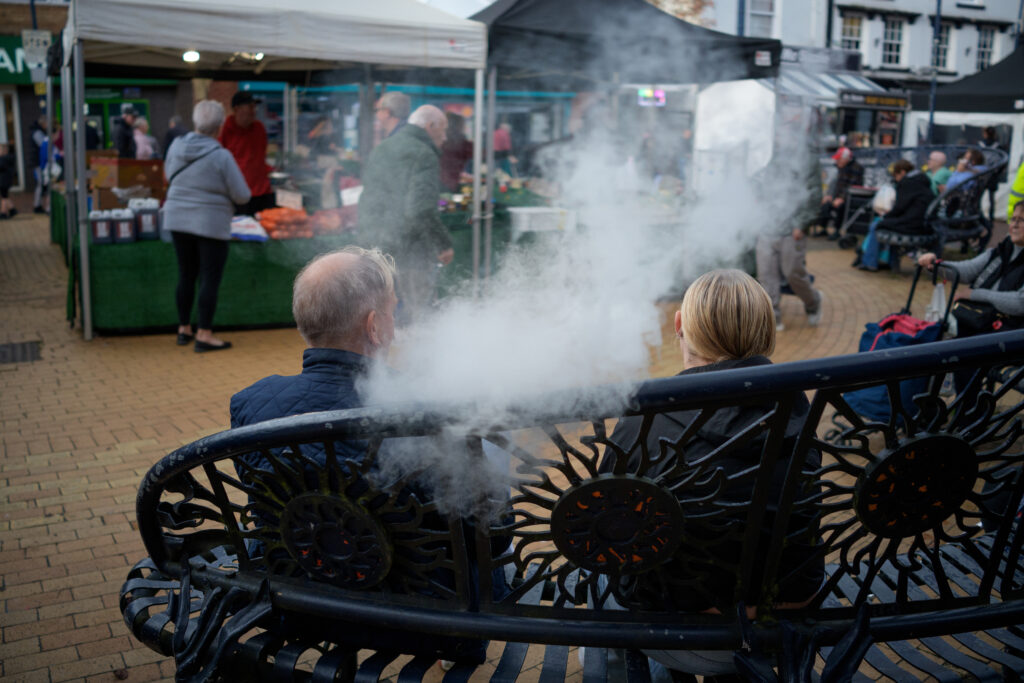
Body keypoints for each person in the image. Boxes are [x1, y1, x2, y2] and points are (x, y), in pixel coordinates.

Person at [601, 269, 823, 680]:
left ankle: (612, 666)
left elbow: (603, 526)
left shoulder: (644, 421)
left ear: (679, 325)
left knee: (598, 568)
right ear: (765, 331)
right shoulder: (797, 409)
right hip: (791, 625)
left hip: (686, 637)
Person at [163, 100, 251, 353]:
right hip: (210, 223)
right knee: (209, 279)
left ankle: (183, 329)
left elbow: (169, 175)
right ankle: (204, 334)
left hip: (177, 218)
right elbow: (242, 194)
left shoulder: (177, 145)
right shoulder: (221, 155)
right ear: (220, 126)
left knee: (186, 274)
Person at [358, 104, 454, 324]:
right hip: (410, 245)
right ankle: (421, 357)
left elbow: (368, 197)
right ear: (430, 126)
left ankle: (375, 359)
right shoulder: (424, 154)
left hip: (375, 241)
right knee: (421, 311)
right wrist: (443, 243)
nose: (445, 136)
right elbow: (420, 209)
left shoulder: (382, 147)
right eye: (443, 129)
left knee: (376, 313)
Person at [755, 148, 825, 331]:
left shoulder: (807, 158)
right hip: (766, 227)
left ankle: (813, 301)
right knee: (766, 275)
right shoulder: (766, 155)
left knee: (793, 273)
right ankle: (772, 317)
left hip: (791, 230)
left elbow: (814, 194)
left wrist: (801, 223)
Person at [858, 159, 934, 272]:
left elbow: (899, 207)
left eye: (896, 175)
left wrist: (885, 217)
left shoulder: (907, 183)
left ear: (902, 172)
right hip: (922, 223)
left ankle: (870, 263)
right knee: (885, 224)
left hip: (911, 224)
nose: (895, 179)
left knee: (877, 224)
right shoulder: (922, 180)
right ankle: (889, 262)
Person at [219, 91, 274, 216]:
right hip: (238, 196)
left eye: (254, 107)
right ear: (236, 109)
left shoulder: (259, 128)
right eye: (250, 107)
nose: (254, 111)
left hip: (263, 193)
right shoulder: (225, 131)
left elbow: (261, 158)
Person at [816, 148, 864, 239]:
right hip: (838, 195)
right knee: (825, 205)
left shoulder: (857, 168)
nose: (836, 161)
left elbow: (852, 185)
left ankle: (837, 231)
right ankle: (823, 228)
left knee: (840, 207)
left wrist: (842, 198)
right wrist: (829, 195)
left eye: (839, 159)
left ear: (845, 159)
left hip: (850, 198)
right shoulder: (841, 167)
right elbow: (835, 183)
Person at [439, 111, 473, 191]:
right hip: (449, 184)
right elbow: (480, 153)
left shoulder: (440, 140)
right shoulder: (461, 143)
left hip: (438, 182)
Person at [29, 116, 49, 214]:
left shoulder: (37, 131)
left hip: (38, 161)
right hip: (39, 162)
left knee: (41, 184)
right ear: (43, 123)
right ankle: (37, 205)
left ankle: (39, 205)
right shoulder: (37, 133)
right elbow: (44, 145)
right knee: (41, 183)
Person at [0, 142, 15, 219]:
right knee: (5, 196)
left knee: (4, 197)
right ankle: (12, 210)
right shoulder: (8, 158)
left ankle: (3, 213)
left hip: (3, 181)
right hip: (5, 181)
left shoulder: (3, 159)